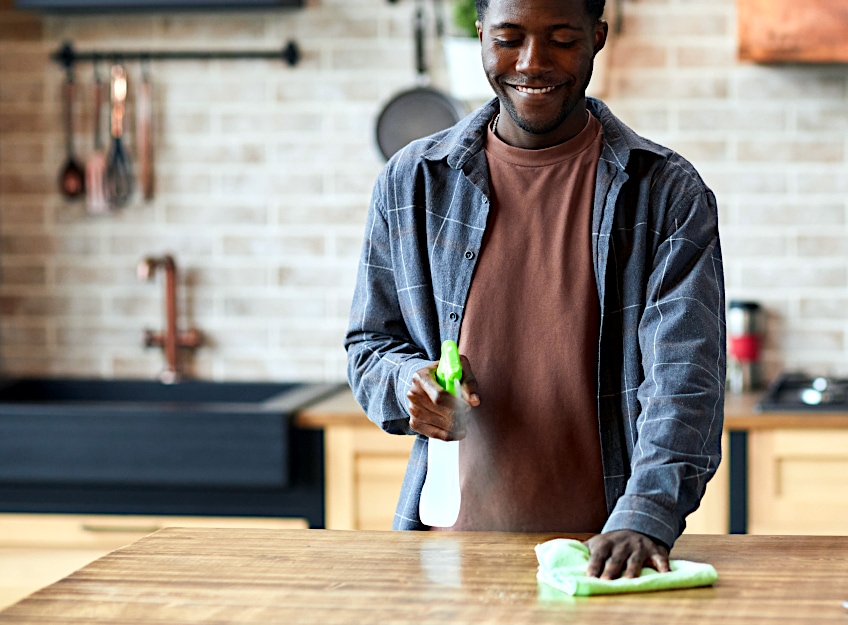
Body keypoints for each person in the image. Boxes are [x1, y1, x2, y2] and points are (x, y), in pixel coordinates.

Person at [345, 0, 725, 580]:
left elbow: (685, 382)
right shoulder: (412, 181)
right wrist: (405, 385)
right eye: (509, 36)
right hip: (446, 553)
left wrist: (646, 515)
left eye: (561, 39)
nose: (532, 62)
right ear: (479, 33)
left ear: (598, 36)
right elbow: (370, 345)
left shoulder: (667, 194)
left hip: (605, 556)